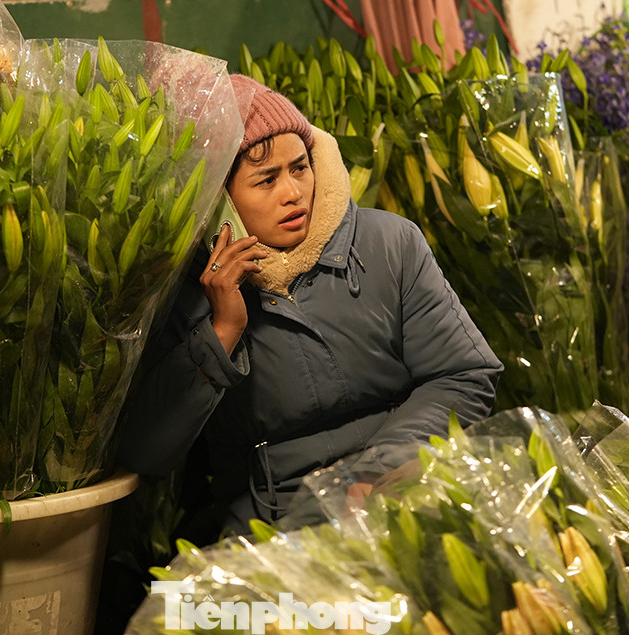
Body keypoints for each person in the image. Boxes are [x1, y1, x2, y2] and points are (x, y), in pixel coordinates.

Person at [119, 75, 503, 533]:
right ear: (217, 200)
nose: (293, 192)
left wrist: (381, 469)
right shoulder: (186, 293)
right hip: (272, 529)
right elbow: (144, 453)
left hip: (406, 489)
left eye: (300, 168)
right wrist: (220, 333)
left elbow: (463, 374)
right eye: (266, 180)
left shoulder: (391, 244)